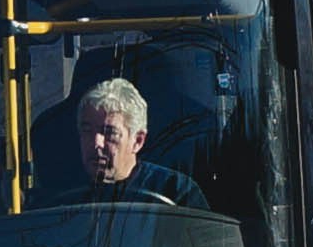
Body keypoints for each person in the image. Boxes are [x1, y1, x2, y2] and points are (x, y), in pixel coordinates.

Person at [43, 77, 205, 210]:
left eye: (109, 133)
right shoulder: (61, 198)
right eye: (87, 131)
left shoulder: (177, 193)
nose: (96, 143)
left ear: (137, 140)